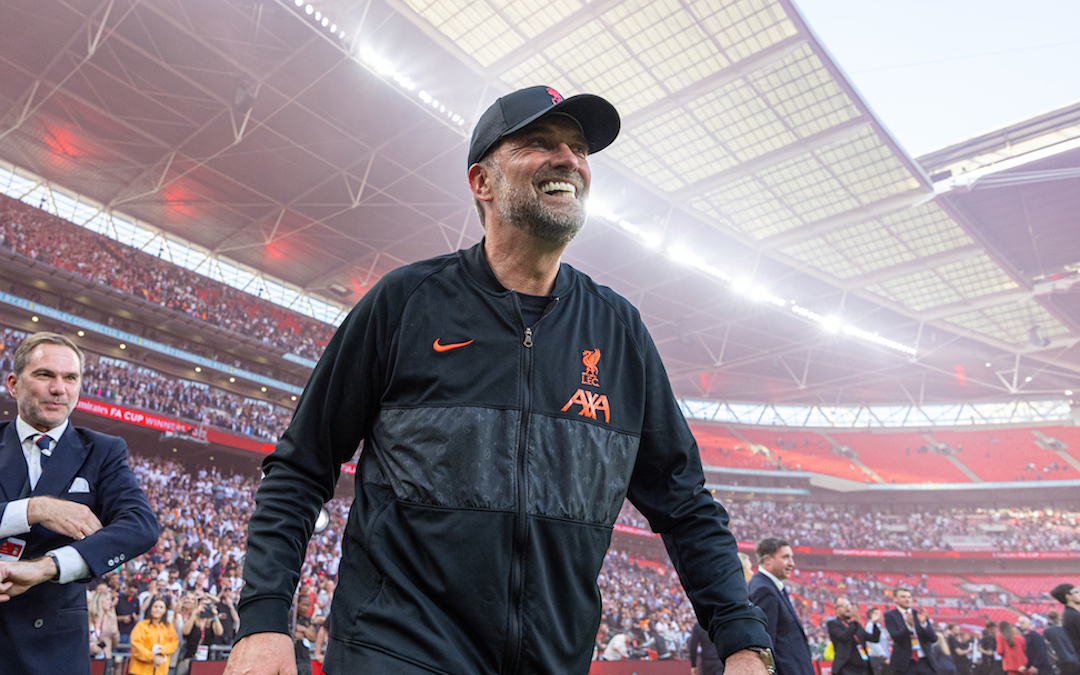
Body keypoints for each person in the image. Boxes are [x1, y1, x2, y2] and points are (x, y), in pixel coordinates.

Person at [223, 86, 774, 675]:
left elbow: (685, 504)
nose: (569, 160)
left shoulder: (619, 332)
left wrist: (743, 640)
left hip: (552, 662)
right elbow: (301, 467)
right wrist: (262, 622)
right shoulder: (406, 304)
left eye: (579, 148)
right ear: (482, 182)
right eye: (539, 143)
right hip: (396, 652)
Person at [0, 331, 159, 673]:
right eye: (45, 375)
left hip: (54, 645)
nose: (59, 389)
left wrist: (46, 567)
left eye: (70, 378)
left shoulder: (103, 451)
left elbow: (140, 526)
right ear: (13, 384)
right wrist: (34, 509)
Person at [749, 538, 813, 675]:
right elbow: (765, 643)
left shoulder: (772, 587)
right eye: (786, 557)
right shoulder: (763, 590)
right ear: (768, 559)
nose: (792, 563)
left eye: (791, 557)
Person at [885, 587, 938, 675]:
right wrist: (909, 627)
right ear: (895, 598)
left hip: (925, 661)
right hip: (905, 664)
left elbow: (933, 638)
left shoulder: (919, 614)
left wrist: (924, 624)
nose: (907, 599)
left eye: (909, 597)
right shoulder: (890, 615)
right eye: (903, 597)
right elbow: (896, 637)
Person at [828, 596, 882, 675]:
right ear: (836, 609)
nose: (848, 609)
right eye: (844, 606)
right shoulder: (833, 624)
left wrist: (875, 624)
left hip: (863, 667)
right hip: (846, 668)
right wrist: (856, 621)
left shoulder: (856, 626)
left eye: (849, 606)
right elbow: (845, 637)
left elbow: (874, 639)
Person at [130, 597, 180, 675]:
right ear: (151, 609)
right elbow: (136, 645)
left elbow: (174, 643)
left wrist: (162, 649)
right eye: (155, 607)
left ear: (165, 610)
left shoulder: (169, 627)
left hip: (160, 670)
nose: (158, 609)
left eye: (161, 607)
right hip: (140, 670)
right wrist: (152, 657)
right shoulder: (141, 626)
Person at [89, 588, 121, 672]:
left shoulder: (111, 618)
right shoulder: (89, 618)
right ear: (99, 601)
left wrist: (115, 634)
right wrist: (89, 646)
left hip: (105, 657)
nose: (110, 602)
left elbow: (115, 644)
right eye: (107, 599)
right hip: (88, 657)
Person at [1045, 610, 1080, 675]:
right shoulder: (1068, 628)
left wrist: (1054, 657)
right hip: (1075, 658)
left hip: (1062, 660)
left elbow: (1046, 647)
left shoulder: (1048, 631)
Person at [1051, 584, 1080, 661]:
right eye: (1076, 592)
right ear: (1068, 596)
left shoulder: (1069, 613)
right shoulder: (1073, 615)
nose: (1079, 594)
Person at [865, 608, 891, 675]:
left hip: (883, 657)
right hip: (877, 657)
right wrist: (882, 654)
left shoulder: (878, 626)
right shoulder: (870, 625)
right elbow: (872, 642)